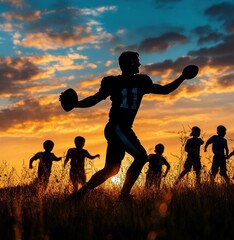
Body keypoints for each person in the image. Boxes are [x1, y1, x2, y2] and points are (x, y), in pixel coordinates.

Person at [63, 51, 193, 201]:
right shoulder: (127, 81)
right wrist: (76, 104)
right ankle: (124, 195)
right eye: (137, 60)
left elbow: (165, 90)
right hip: (118, 127)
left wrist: (183, 77)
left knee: (111, 170)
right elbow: (95, 99)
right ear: (131, 62)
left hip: (119, 128)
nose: (139, 63)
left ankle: (78, 196)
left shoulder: (135, 81)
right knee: (141, 156)